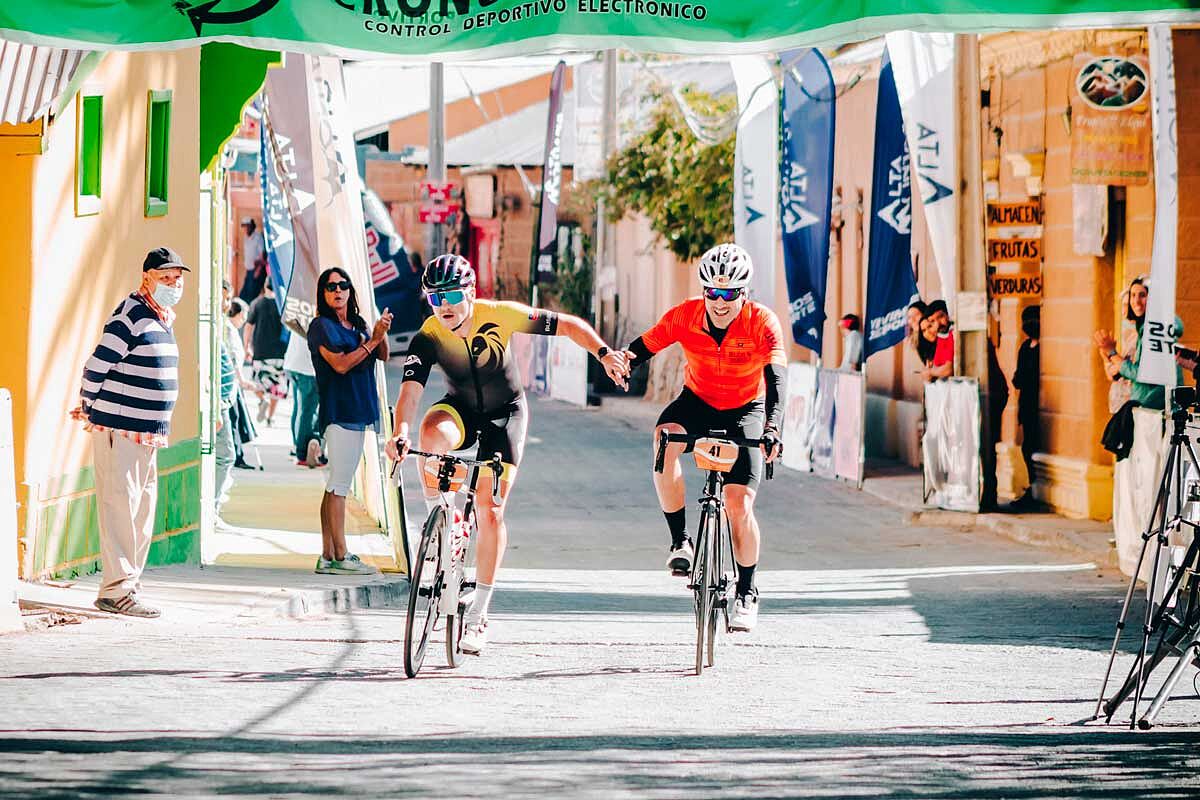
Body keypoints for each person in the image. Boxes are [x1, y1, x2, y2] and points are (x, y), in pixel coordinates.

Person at [386, 254, 629, 656]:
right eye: (434, 298)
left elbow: (567, 325)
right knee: (429, 437)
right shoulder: (429, 334)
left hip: (506, 415)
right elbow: (411, 391)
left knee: (491, 507)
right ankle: (446, 521)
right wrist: (399, 432)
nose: (443, 306)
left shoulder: (501, 314)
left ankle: (479, 612)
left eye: (450, 295)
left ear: (469, 293)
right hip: (459, 408)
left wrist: (604, 354)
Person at [622, 243, 785, 634]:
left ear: (744, 293)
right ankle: (681, 542)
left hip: (746, 408)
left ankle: (746, 592)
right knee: (664, 439)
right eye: (712, 292)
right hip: (697, 401)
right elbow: (643, 347)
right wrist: (620, 361)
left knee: (737, 505)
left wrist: (773, 429)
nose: (719, 301)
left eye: (729, 294)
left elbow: (777, 381)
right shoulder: (686, 315)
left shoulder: (763, 322)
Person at [70, 247, 189, 618]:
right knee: (121, 509)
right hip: (120, 429)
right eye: (165, 277)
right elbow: (96, 365)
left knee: (140, 512)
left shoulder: (161, 316)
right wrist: (89, 405)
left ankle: (128, 585)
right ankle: (116, 590)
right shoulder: (131, 313)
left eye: (177, 278)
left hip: (146, 434)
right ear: (147, 278)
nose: (172, 283)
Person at [308, 267, 392, 576]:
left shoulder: (357, 323)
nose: (338, 291)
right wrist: (370, 342)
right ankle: (341, 555)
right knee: (340, 485)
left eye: (343, 285)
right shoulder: (321, 326)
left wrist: (378, 332)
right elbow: (340, 365)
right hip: (340, 411)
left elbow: (382, 354)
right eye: (331, 287)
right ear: (324, 293)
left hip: (360, 410)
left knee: (335, 485)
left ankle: (328, 555)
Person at [1093, 277, 1183, 411]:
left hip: (1156, 409)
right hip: (1144, 406)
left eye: (1142, 295)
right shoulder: (1142, 330)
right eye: (1132, 296)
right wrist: (1108, 354)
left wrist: (1112, 353)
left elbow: (1143, 373)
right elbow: (1116, 373)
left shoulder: (1156, 330)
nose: (1136, 302)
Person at [244, 281, 288, 426]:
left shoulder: (258, 303)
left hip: (261, 351)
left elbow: (249, 326)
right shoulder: (284, 305)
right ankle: (270, 417)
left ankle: (263, 400)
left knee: (257, 382)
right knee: (277, 387)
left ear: (265, 286)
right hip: (280, 352)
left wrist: (246, 347)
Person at [1012, 306, 1041, 505]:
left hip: (1039, 404)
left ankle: (1036, 487)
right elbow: (1018, 377)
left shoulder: (1044, 347)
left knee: (1033, 446)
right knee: (1027, 447)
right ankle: (1032, 485)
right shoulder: (1024, 347)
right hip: (1027, 404)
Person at [285, 327, 322, 468]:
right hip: (308, 367)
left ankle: (297, 446)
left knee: (299, 408)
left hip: (292, 362)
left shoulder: (301, 306)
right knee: (308, 411)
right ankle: (303, 451)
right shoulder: (318, 312)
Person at [922, 300, 954, 381]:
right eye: (932, 321)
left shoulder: (953, 333)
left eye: (940, 316)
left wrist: (930, 372)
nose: (937, 324)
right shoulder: (941, 335)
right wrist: (931, 371)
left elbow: (948, 370)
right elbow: (937, 366)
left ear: (947, 314)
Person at [238, 217, 267, 305]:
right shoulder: (246, 237)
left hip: (256, 271)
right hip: (249, 270)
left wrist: (257, 271)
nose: (244, 229)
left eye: (245, 227)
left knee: (251, 295)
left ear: (250, 226)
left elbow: (262, 256)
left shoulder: (258, 237)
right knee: (243, 295)